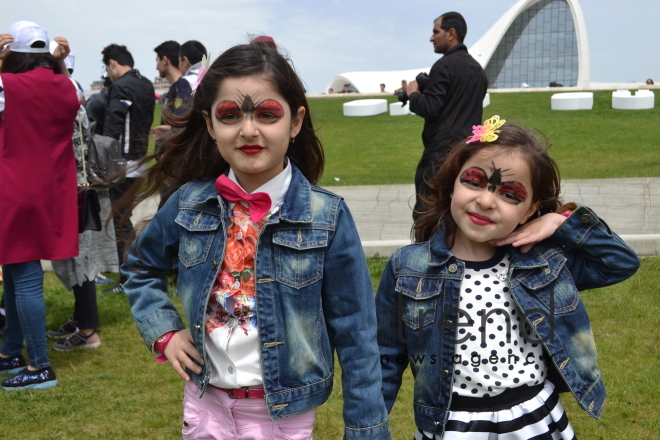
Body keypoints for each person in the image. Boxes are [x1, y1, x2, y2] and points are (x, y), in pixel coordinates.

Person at [121, 43, 391, 439]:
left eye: (267, 114)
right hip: (205, 406)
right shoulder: (188, 203)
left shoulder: (327, 217)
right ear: (210, 125)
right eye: (230, 116)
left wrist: (367, 429)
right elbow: (140, 267)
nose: (249, 130)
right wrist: (164, 330)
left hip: (284, 416)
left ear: (295, 122)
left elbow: (357, 334)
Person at [376, 117, 640, 439]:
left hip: (535, 420)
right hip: (451, 426)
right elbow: (386, 358)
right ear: (452, 183)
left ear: (529, 210)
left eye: (510, 195)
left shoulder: (544, 262)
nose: (486, 201)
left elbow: (620, 262)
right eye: (473, 181)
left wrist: (560, 221)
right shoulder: (408, 267)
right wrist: (368, 426)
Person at [0, 21, 80, 390]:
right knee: (17, 276)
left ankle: (40, 366)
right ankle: (10, 351)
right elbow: (69, 92)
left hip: (13, 189)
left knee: (25, 278)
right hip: (50, 191)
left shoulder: (7, 84)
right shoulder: (66, 84)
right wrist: (58, 62)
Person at [48, 104, 119, 350]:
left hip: (75, 190)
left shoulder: (65, 101)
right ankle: (80, 319)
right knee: (75, 257)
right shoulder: (69, 97)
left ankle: (88, 331)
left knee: (82, 259)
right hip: (79, 188)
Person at [407, 11, 487, 221]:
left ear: (451, 33)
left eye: (436, 32)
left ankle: (427, 252)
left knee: (428, 209)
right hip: (469, 153)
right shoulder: (478, 70)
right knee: (459, 210)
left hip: (440, 153)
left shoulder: (444, 65)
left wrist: (413, 93)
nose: (431, 38)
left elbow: (430, 107)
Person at [101, 43, 155, 294]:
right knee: (126, 219)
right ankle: (136, 269)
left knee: (120, 222)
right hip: (141, 159)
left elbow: (113, 128)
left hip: (123, 162)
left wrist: (104, 162)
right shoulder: (145, 83)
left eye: (107, 68)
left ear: (112, 63)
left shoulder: (121, 85)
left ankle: (129, 277)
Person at [150, 40, 184, 144]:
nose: (156, 67)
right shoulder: (175, 89)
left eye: (157, 61)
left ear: (164, 60)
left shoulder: (183, 89)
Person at [177, 40, 207, 109]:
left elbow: (180, 113)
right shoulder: (215, 78)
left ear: (185, 61)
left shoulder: (186, 81)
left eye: (179, 61)